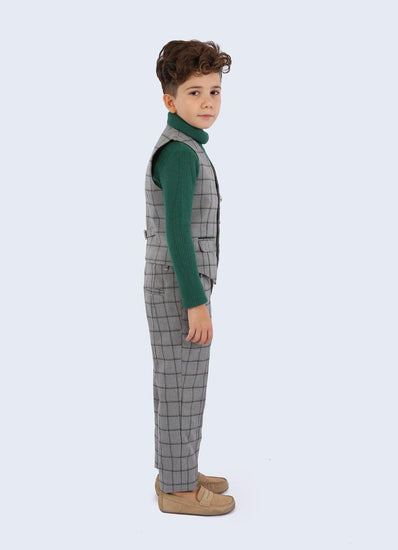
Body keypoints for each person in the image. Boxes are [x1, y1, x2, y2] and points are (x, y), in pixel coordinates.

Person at [143, 39, 234, 516]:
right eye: (194, 92)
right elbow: (178, 232)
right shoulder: (180, 153)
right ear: (170, 100)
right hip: (180, 288)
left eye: (214, 91)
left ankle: (179, 470)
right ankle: (177, 491)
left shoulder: (188, 147)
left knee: (182, 382)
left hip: (179, 283)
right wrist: (195, 303)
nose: (207, 102)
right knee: (181, 383)